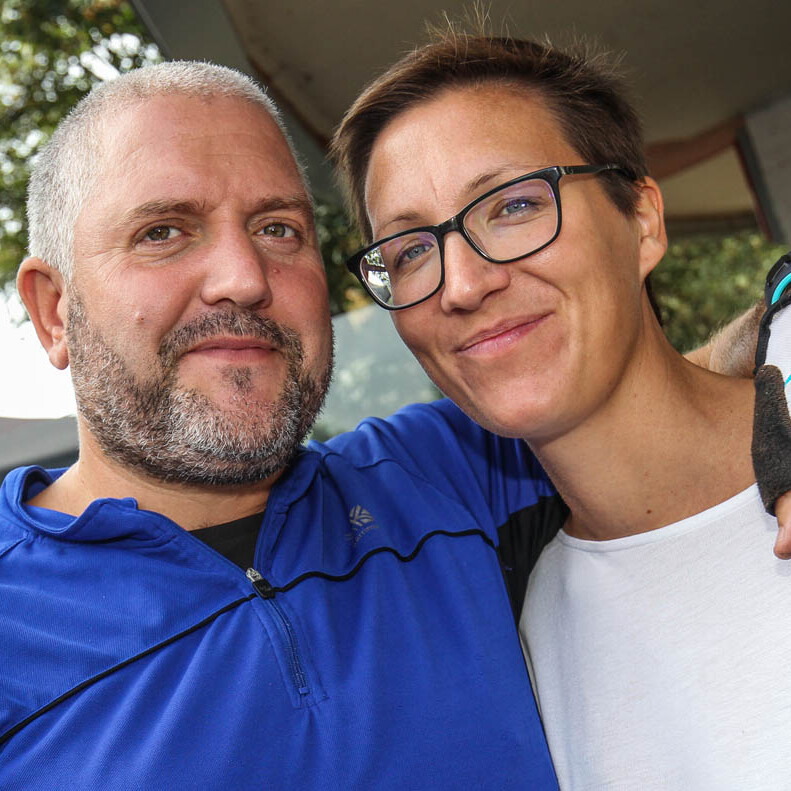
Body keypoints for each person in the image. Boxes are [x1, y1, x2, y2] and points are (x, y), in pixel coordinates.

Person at [1, 61, 560, 788]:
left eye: (277, 228)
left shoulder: (457, 470)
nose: (244, 277)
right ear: (54, 312)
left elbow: (663, 402)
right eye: (163, 231)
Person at [330, 31, 791, 788]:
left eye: (513, 205)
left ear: (641, 221)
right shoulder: (516, 639)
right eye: (410, 250)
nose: (462, 284)